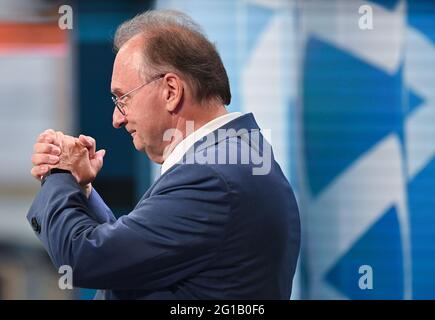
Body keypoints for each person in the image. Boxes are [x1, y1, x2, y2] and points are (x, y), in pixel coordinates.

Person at [28, 10, 300, 299]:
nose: (116, 119)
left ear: (171, 90)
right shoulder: (232, 162)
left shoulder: (212, 176)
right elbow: (132, 259)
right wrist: (81, 189)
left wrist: (61, 174)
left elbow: (84, 259)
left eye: (122, 99)